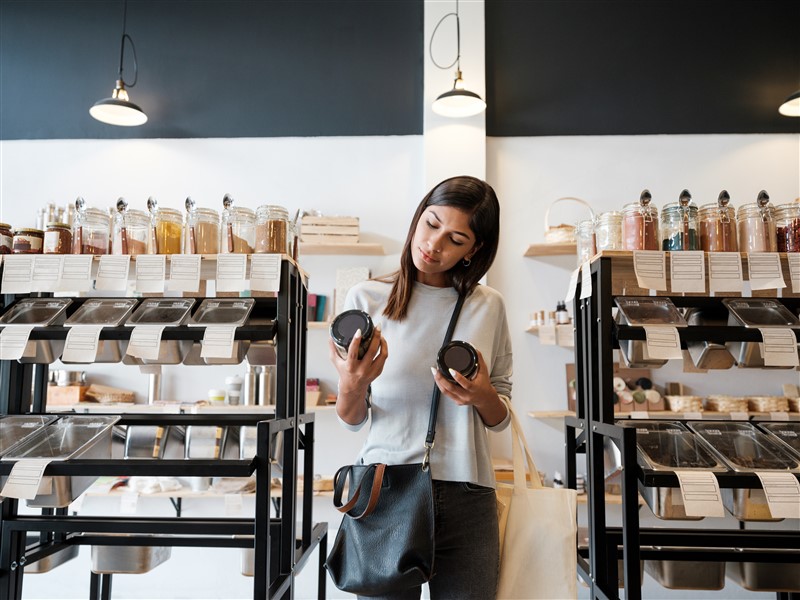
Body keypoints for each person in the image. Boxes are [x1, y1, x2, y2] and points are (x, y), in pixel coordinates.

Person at [329, 175, 513, 600]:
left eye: (455, 239)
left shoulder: (489, 307)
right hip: (384, 488)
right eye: (431, 224)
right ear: (417, 218)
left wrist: (482, 395)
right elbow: (352, 419)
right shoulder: (366, 299)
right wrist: (352, 385)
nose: (434, 245)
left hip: (468, 495)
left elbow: (500, 418)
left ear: (475, 250)